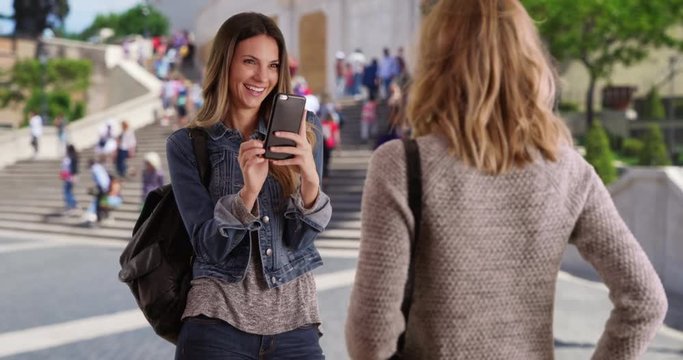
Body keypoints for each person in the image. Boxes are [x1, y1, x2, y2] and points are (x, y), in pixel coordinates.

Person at [346, 1, 668, 359]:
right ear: (529, 60)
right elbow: (645, 301)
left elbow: (371, 332)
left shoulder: (401, 165)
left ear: (437, 61)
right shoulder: (570, 171)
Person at [166, 12, 331, 359]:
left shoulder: (306, 130)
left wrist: (311, 182)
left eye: (273, 65)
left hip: (295, 325)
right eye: (250, 62)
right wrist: (247, 194)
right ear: (225, 65)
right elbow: (208, 246)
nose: (262, 77)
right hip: (216, 326)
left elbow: (300, 238)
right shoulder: (188, 144)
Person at [60, 144, 80, 215]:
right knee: (68, 191)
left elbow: (71, 168)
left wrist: (74, 176)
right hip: (69, 176)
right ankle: (73, 205)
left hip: (69, 177)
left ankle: (72, 206)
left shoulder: (71, 158)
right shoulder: (73, 157)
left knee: (67, 192)